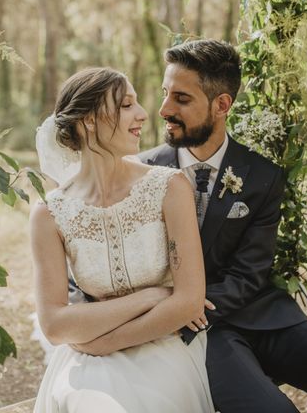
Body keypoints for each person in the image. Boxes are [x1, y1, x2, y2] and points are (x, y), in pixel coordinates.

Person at [139, 39, 307, 413]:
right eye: (165, 94)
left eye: (181, 98)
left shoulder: (262, 176)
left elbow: (249, 271)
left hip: (262, 314)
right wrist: (181, 310)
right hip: (199, 330)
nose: (164, 109)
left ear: (222, 105)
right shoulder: (142, 173)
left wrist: (198, 303)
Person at [30, 67, 215, 412]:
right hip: (85, 359)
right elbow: (54, 325)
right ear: (88, 121)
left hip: (164, 344)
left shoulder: (169, 187)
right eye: (126, 105)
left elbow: (189, 303)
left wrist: (106, 343)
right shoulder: (49, 214)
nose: (144, 114)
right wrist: (152, 295)